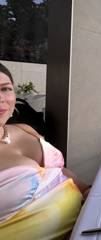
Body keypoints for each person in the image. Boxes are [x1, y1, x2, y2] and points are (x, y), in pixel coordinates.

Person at [0, 63, 90, 239]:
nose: (0, 98)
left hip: (89, 220)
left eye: (5, 89)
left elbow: (56, 171)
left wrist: (88, 190)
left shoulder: (24, 129)